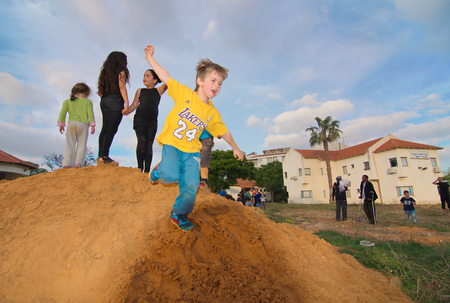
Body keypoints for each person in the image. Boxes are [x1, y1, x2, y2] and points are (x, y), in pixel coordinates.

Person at [144, 44, 244, 232]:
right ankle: (159, 168)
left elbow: (223, 130)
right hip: (173, 144)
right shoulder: (184, 94)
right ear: (199, 80)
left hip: (191, 151)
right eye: (213, 80)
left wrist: (235, 147)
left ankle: (178, 213)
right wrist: (150, 58)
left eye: (220, 83)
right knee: (169, 177)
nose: (216, 86)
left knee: (191, 185)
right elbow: (165, 76)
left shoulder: (212, 112)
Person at [126, 69, 167, 173]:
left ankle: (147, 171)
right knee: (142, 141)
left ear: (155, 79)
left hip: (152, 121)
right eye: (144, 75)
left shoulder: (159, 90)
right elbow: (135, 104)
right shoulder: (140, 90)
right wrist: (128, 110)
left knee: (149, 144)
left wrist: (157, 70)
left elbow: (167, 81)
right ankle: (140, 168)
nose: (144, 77)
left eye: (148, 75)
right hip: (140, 118)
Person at [97, 51, 130, 165]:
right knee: (112, 129)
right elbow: (122, 87)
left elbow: (100, 91)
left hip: (104, 101)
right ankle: (105, 156)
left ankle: (100, 155)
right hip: (115, 101)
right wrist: (126, 103)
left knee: (105, 128)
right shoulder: (121, 71)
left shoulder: (104, 72)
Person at [57, 83, 95, 168]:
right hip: (83, 125)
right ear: (86, 92)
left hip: (71, 124)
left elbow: (62, 113)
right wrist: (92, 125)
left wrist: (61, 124)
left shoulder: (67, 101)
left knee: (69, 144)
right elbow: (90, 114)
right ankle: (78, 163)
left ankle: (67, 163)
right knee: (82, 144)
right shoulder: (88, 102)